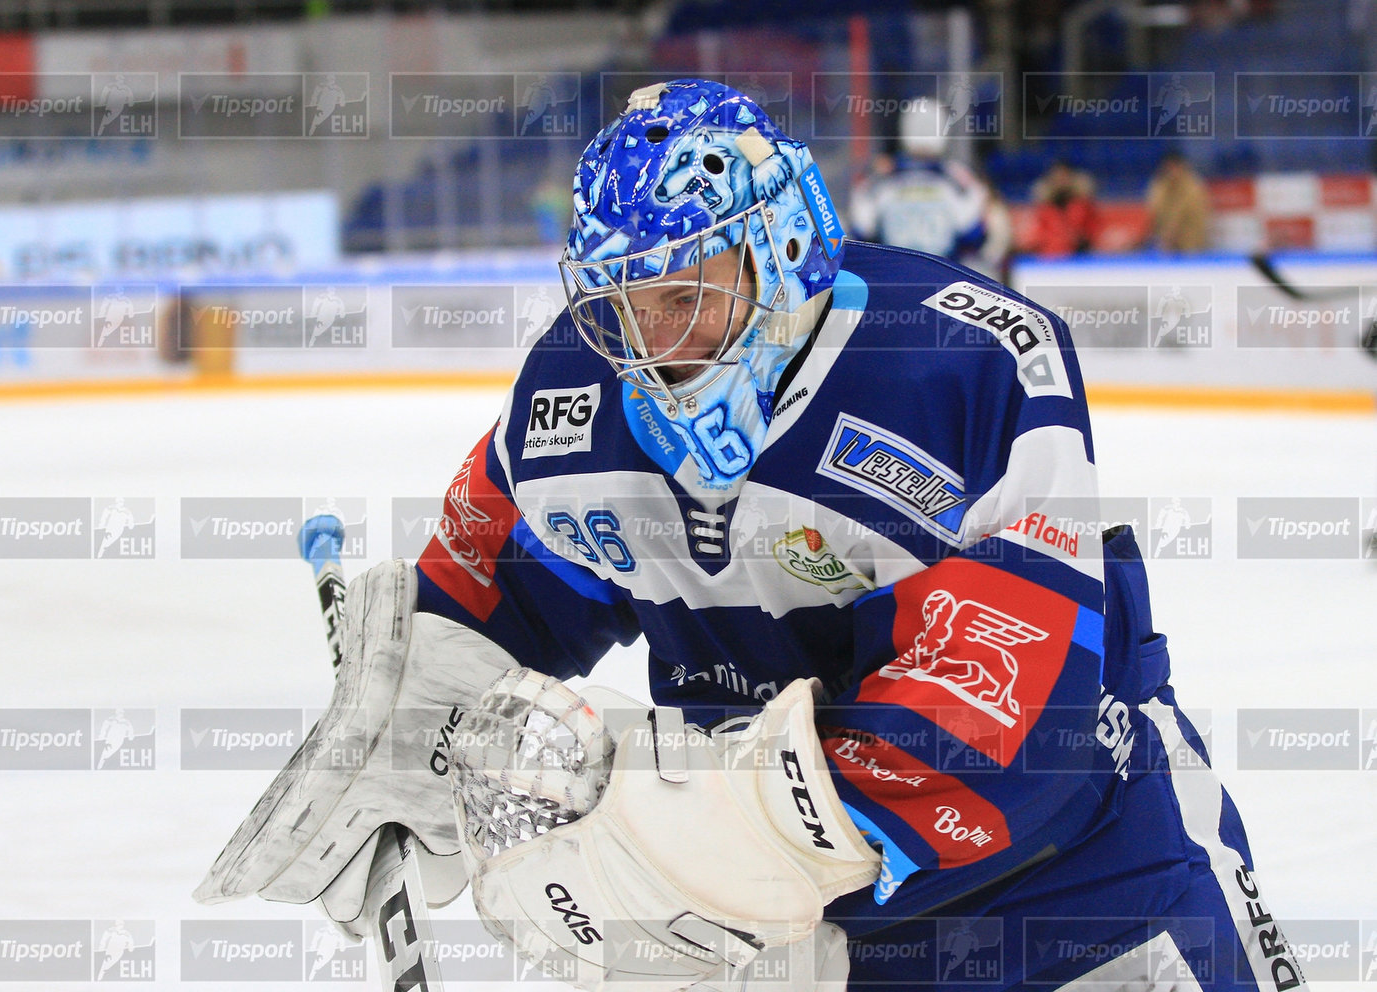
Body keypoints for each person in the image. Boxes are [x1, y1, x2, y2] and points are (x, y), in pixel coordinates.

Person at [198, 79, 1305, 992]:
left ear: (779, 251)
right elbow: (494, 588)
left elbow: (1007, 707)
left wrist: (692, 850)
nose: (652, 341)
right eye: (622, 303)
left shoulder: (968, 362)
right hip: (803, 944)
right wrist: (413, 705)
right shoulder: (572, 400)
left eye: (687, 292)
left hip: (1086, 888)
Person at [848, 98, 988, 261]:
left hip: (893, 275)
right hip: (942, 276)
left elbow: (860, 229)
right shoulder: (957, 178)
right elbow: (973, 234)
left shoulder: (881, 179)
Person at [1027, 160, 1102, 257]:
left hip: (1080, 258)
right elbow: (1038, 235)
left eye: (1064, 175)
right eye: (1057, 176)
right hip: (1049, 259)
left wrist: (1081, 239)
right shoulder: (1044, 209)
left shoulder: (1083, 205)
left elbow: (1094, 230)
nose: (1060, 180)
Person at [1146, 151, 1211, 254]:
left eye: (1174, 167)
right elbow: (1154, 212)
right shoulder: (1160, 186)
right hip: (1165, 242)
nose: (1172, 171)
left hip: (1191, 243)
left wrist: (1173, 233)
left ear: (1182, 166)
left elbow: (1193, 215)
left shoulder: (1193, 187)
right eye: (1168, 168)